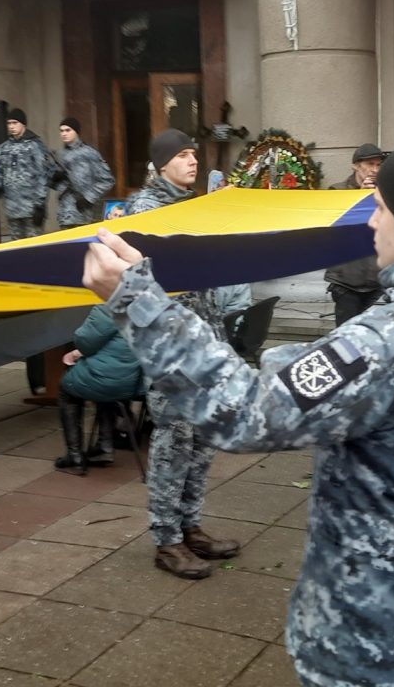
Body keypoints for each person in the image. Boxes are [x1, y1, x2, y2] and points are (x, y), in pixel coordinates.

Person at [84, 137, 394, 686]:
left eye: (379, 205)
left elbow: (244, 414)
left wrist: (139, 301)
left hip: (376, 636)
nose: (372, 222)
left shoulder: (387, 338)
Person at [126, 129, 249, 579]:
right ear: (161, 164)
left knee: (201, 442)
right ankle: (166, 539)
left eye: (194, 154)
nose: (193, 161)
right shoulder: (145, 211)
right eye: (182, 155)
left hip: (205, 341)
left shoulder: (190, 205)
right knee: (173, 443)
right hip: (170, 350)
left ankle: (190, 526)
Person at [54, 304, 140, 475]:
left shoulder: (108, 307)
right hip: (132, 383)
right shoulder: (150, 306)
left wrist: (77, 353)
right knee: (106, 388)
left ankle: (75, 455)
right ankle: (105, 447)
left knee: (67, 389)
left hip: (105, 380)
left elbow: (84, 341)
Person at [323, 143, 385, 325]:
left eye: (378, 165)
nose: (374, 169)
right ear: (356, 166)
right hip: (346, 280)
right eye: (370, 164)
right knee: (345, 336)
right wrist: (361, 198)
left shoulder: (384, 192)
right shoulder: (337, 191)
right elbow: (335, 231)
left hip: (376, 279)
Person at [0, 108, 54, 240]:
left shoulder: (35, 145)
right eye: (9, 123)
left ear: (23, 124)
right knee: (16, 251)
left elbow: (42, 176)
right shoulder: (4, 147)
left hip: (31, 209)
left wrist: (40, 204)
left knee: (35, 250)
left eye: (15, 123)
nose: (11, 127)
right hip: (12, 209)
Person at [51, 117, 115, 229]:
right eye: (61, 131)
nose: (64, 134)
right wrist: (55, 178)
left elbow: (107, 180)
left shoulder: (89, 153)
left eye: (68, 130)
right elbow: (54, 184)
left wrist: (88, 198)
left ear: (76, 132)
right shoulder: (60, 155)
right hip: (65, 214)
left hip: (84, 214)